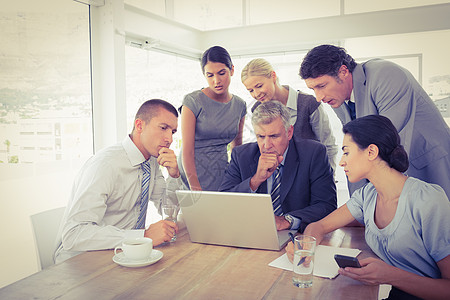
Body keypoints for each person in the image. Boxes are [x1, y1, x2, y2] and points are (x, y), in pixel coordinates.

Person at [286, 115, 450, 300]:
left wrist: (390, 275)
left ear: (371, 152)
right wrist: (306, 247)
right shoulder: (367, 195)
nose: (341, 162)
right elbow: (320, 226)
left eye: (346, 152)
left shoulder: (428, 201)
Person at [300, 44, 450, 198]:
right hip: (396, 174)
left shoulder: (386, 75)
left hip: (428, 162)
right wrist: (358, 204)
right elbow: (357, 147)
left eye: (322, 86)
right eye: (313, 89)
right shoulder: (336, 98)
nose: (319, 97)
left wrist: (365, 204)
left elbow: (386, 145)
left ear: (343, 71)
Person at [54, 99, 181, 263]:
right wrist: (143, 235)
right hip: (80, 259)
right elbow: (74, 234)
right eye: (163, 128)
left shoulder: (151, 162)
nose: (169, 139)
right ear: (140, 125)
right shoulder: (105, 165)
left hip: (123, 254)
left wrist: (174, 175)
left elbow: (168, 209)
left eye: (173, 132)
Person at [219, 100, 336, 232]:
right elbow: (224, 204)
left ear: (289, 132)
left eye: (274, 136)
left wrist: (287, 221)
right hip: (251, 232)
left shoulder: (313, 153)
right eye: (261, 136)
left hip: (298, 234)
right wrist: (255, 180)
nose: (267, 145)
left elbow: (326, 205)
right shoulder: (241, 156)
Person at [241, 58, 338, 172]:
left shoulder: (309, 104)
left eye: (259, 86)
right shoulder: (257, 108)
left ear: (273, 76)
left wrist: (329, 178)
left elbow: (328, 145)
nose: (256, 94)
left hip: (311, 173)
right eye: (251, 90)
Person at [178, 45, 247, 191]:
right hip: (192, 170)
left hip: (221, 170)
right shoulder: (192, 101)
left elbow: (237, 148)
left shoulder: (240, 105)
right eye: (210, 75)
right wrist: (194, 186)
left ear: (232, 70)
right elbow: (187, 150)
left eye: (221, 73)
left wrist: (238, 178)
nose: (216, 80)